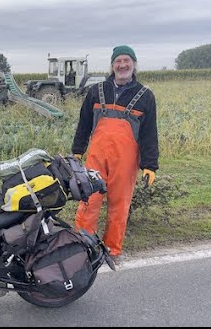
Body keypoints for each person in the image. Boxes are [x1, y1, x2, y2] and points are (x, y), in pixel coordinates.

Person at [71, 45, 159, 265]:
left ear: (134, 65)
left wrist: (150, 165)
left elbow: (149, 133)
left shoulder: (145, 96)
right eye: (118, 61)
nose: (122, 65)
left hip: (126, 161)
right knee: (89, 200)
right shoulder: (96, 90)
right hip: (96, 157)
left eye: (127, 61)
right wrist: (77, 152)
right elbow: (83, 124)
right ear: (112, 66)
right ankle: (82, 246)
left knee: (119, 205)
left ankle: (111, 250)